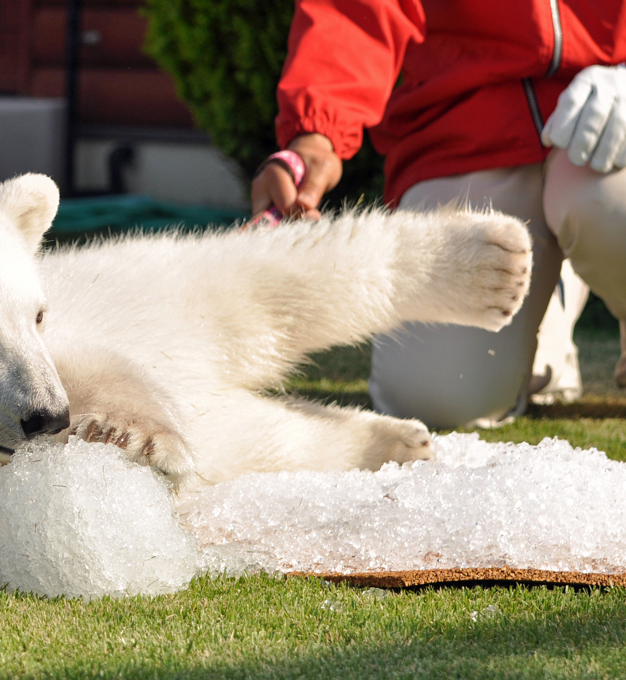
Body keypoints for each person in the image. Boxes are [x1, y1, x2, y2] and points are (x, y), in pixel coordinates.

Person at [251, 0, 626, 429]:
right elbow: (358, 11)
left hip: (613, 125)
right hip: (463, 133)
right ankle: (546, 314)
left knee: (606, 205)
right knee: (436, 402)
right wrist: (316, 134)